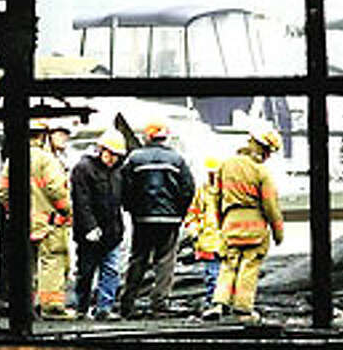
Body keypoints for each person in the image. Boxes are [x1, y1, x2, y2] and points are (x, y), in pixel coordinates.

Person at [201, 125, 285, 324]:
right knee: (249, 266)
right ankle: (243, 309)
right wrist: (278, 232)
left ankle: (219, 303)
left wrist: (221, 224)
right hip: (254, 227)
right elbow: (270, 205)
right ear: (263, 150)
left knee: (228, 266)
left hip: (230, 224)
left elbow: (215, 196)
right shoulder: (261, 172)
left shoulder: (225, 165)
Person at [0, 120, 75, 319]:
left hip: (22, 223)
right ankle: (52, 307)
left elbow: (3, 192)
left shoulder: (12, 159)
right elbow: (56, 189)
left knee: (24, 265)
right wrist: (66, 211)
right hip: (49, 223)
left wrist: (12, 212)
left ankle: (24, 307)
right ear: (42, 136)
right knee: (52, 261)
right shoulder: (47, 160)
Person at [117, 121, 194, 318]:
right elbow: (188, 189)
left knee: (138, 259)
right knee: (166, 260)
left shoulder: (134, 158)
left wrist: (132, 209)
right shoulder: (177, 159)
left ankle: (127, 303)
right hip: (169, 219)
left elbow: (123, 187)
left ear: (146, 137)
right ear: (164, 138)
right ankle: (159, 303)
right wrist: (179, 213)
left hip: (142, 218)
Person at [70, 129, 127, 320]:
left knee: (111, 271)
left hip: (112, 232)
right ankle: (81, 307)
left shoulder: (118, 171)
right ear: (100, 149)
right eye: (110, 154)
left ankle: (104, 308)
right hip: (90, 234)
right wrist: (90, 227)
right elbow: (81, 202)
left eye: (117, 156)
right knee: (86, 272)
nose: (113, 159)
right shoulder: (84, 169)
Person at [182, 156, 223, 306]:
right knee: (212, 274)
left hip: (225, 240)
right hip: (209, 240)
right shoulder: (202, 191)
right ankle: (214, 301)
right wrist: (195, 232)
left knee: (224, 274)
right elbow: (193, 213)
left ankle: (220, 302)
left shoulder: (228, 192)